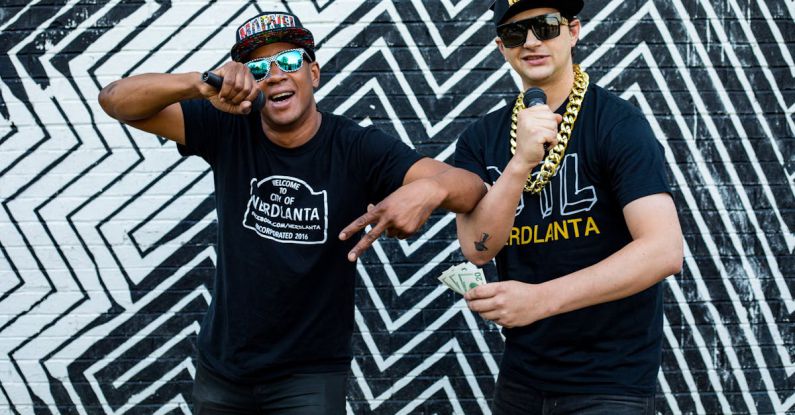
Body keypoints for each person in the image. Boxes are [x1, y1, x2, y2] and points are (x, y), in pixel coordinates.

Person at [98, 10, 485, 414]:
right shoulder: (229, 127)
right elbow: (115, 100)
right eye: (259, 67)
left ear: (313, 74)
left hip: (308, 379)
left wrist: (428, 189)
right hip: (222, 371)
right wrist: (199, 84)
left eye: (288, 61)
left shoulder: (356, 148)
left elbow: (471, 188)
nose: (276, 74)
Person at [454, 1, 684, 414]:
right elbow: (478, 248)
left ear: (573, 31)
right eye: (514, 34)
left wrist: (541, 300)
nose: (530, 42)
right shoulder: (481, 137)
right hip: (522, 378)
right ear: (500, 48)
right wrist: (520, 163)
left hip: (611, 380)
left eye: (545, 27)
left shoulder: (616, 123)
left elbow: (664, 251)